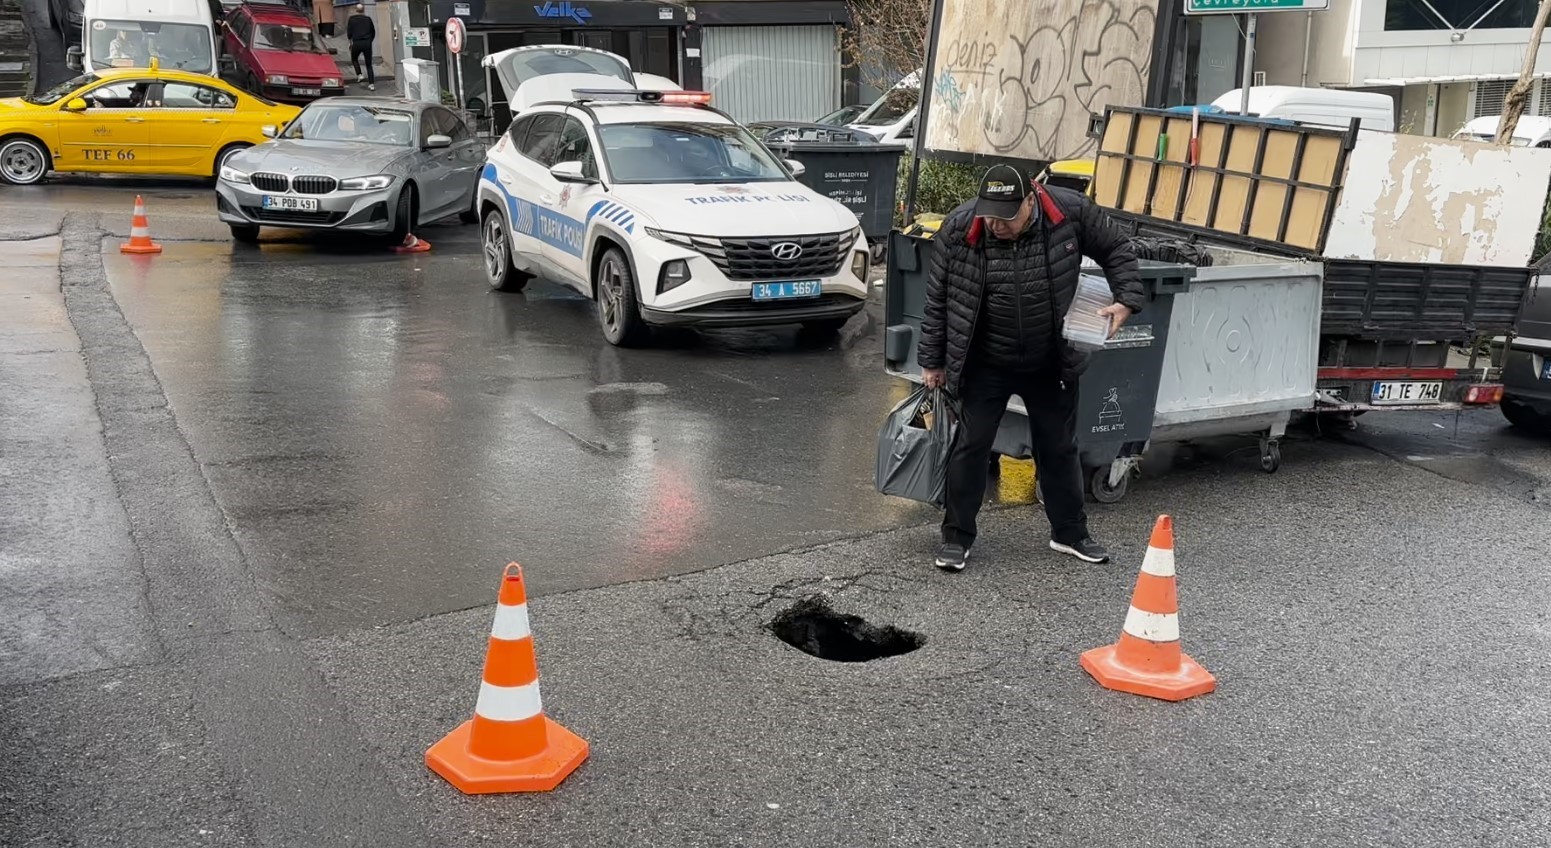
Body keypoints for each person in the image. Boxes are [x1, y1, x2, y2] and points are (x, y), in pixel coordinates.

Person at [917, 163, 1144, 572]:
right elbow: (937, 299)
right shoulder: (960, 226)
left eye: (1005, 217)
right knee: (971, 448)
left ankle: (1070, 533)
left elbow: (1117, 248)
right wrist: (932, 361)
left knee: (1059, 447)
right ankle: (956, 538)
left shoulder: (1069, 212)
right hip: (986, 360)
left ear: (1029, 201)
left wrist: (1126, 299)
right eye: (989, 215)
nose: (995, 225)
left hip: (1050, 359)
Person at [345, 3, 376, 90]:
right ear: (363, 10)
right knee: (369, 64)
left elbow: (349, 33)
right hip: (367, 42)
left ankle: (359, 74)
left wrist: (350, 41)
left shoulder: (352, 19)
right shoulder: (368, 19)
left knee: (354, 58)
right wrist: (370, 40)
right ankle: (371, 84)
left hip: (357, 42)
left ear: (356, 10)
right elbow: (373, 31)